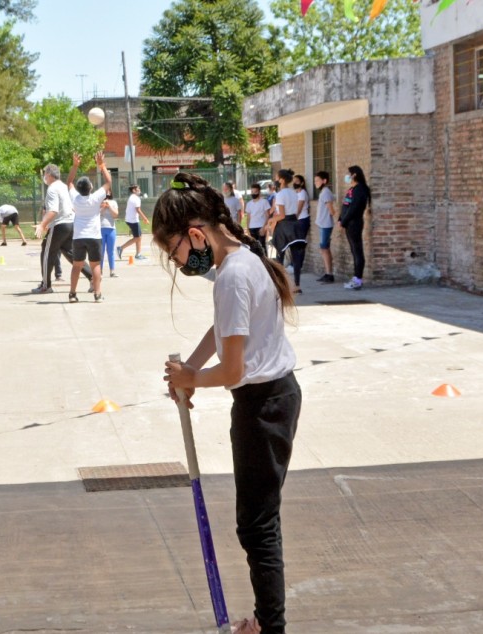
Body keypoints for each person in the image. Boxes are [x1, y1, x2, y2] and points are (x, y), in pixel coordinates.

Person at [155, 172, 300, 634]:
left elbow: (234, 370)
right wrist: (191, 371)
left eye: (175, 251)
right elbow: (224, 329)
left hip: (263, 405)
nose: (179, 262)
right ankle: (264, 620)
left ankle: (269, 627)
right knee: (257, 521)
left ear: (196, 235)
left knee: (257, 527)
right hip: (268, 399)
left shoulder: (233, 276)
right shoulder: (240, 261)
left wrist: (194, 378)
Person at [33, 163, 92, 294]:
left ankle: (46, 285)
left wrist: (42, 225)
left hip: (60, 224)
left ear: (49, 175)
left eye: (45, 174)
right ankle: (93, 277)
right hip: (71, 223)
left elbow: (53, 211)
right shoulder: (64, 186)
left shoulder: (52, 188)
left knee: (47, 251)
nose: (44, 177)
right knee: (72, 253)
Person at [66, 151, 111, 302]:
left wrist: (75, 165)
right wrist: (101, 165)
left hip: (78, 236)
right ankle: (97, 295)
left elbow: (69, 182)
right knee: (95, 266)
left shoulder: (75, 198)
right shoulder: (96, 197)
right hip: (94, 236)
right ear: (91, 187)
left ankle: (72, 294)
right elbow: (108, 182)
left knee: (76, 266)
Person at [267, 169, 306, 294]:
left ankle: (281, 285)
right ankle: (297, 285)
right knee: (296, 257)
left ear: (282, 180)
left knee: (280, 256)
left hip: (284, 226)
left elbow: (282, 215)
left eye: (277, 178)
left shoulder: (280, 194)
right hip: (295, 224)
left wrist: (271, 220)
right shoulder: (294, 193)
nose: (275, 180)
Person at [338, 165, 370, 290]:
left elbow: (354, 208)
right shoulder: (353, 189)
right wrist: (340, 219)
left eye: (349, 174)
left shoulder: (360, 189)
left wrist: (344, 221)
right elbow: (346, 205)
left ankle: (357, 280)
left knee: (357, 251)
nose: (347, 176)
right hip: (349, 224)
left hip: (354, 224)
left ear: (354, 175)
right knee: (354, 251)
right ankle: (355, 277)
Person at [313, 171, 336, 283]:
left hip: (326, 225)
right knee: (324, 249)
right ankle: (328, 273)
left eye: (317, 180)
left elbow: (331, 210)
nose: (315, 183)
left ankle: (329, 274)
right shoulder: (323, 192)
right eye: (315, 181)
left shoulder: (326, 192)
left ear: (324, 181)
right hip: (323, 224)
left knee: (324, 249)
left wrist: (331, 214)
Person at [117, 185, 150, 261]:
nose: (139, 190)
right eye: (138, 189)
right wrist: (145, 218)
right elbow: (138, 210)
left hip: (130, 220)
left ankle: (138, 254)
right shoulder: (135, 198)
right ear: (133, 190)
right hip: (133, 220)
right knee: (138, 237)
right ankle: (121, 248)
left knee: (139, 236)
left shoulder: (132, 197)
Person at [292, 173, 311, 282]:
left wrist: (293, 219)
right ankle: (295, 264)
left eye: (297, 181)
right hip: (297, 221)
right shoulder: (296, 193)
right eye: (294, 181)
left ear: (302, 183)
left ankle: (299, 265)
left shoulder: (303, 193)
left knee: (300, 243)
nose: (295, 183)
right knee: (295, 244)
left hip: (302, 220)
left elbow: (298, 209)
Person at [245, 183, 270, 252]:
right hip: (252, 227)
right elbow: (248, 217)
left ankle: (264, 259)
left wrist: (264, 227)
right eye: (252, 192)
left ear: (259, 192)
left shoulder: (264, 202)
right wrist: (248, 229)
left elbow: (267, 216)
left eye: (255, 192)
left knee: (262, 246)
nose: (253, 193)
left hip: (261, 227)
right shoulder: (249, 204)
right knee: (253, 247)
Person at [100, 191, 120, 278]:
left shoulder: (113, 202)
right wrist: (103, 207)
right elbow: (97, 214)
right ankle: (99, 271)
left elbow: (115, 215)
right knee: (101, 251)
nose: (107, 193)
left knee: (110, 251)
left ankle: (112, 271)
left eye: (108, 191)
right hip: (100, 228)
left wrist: (109, 206)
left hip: (111, 228)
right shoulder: (99, 202)